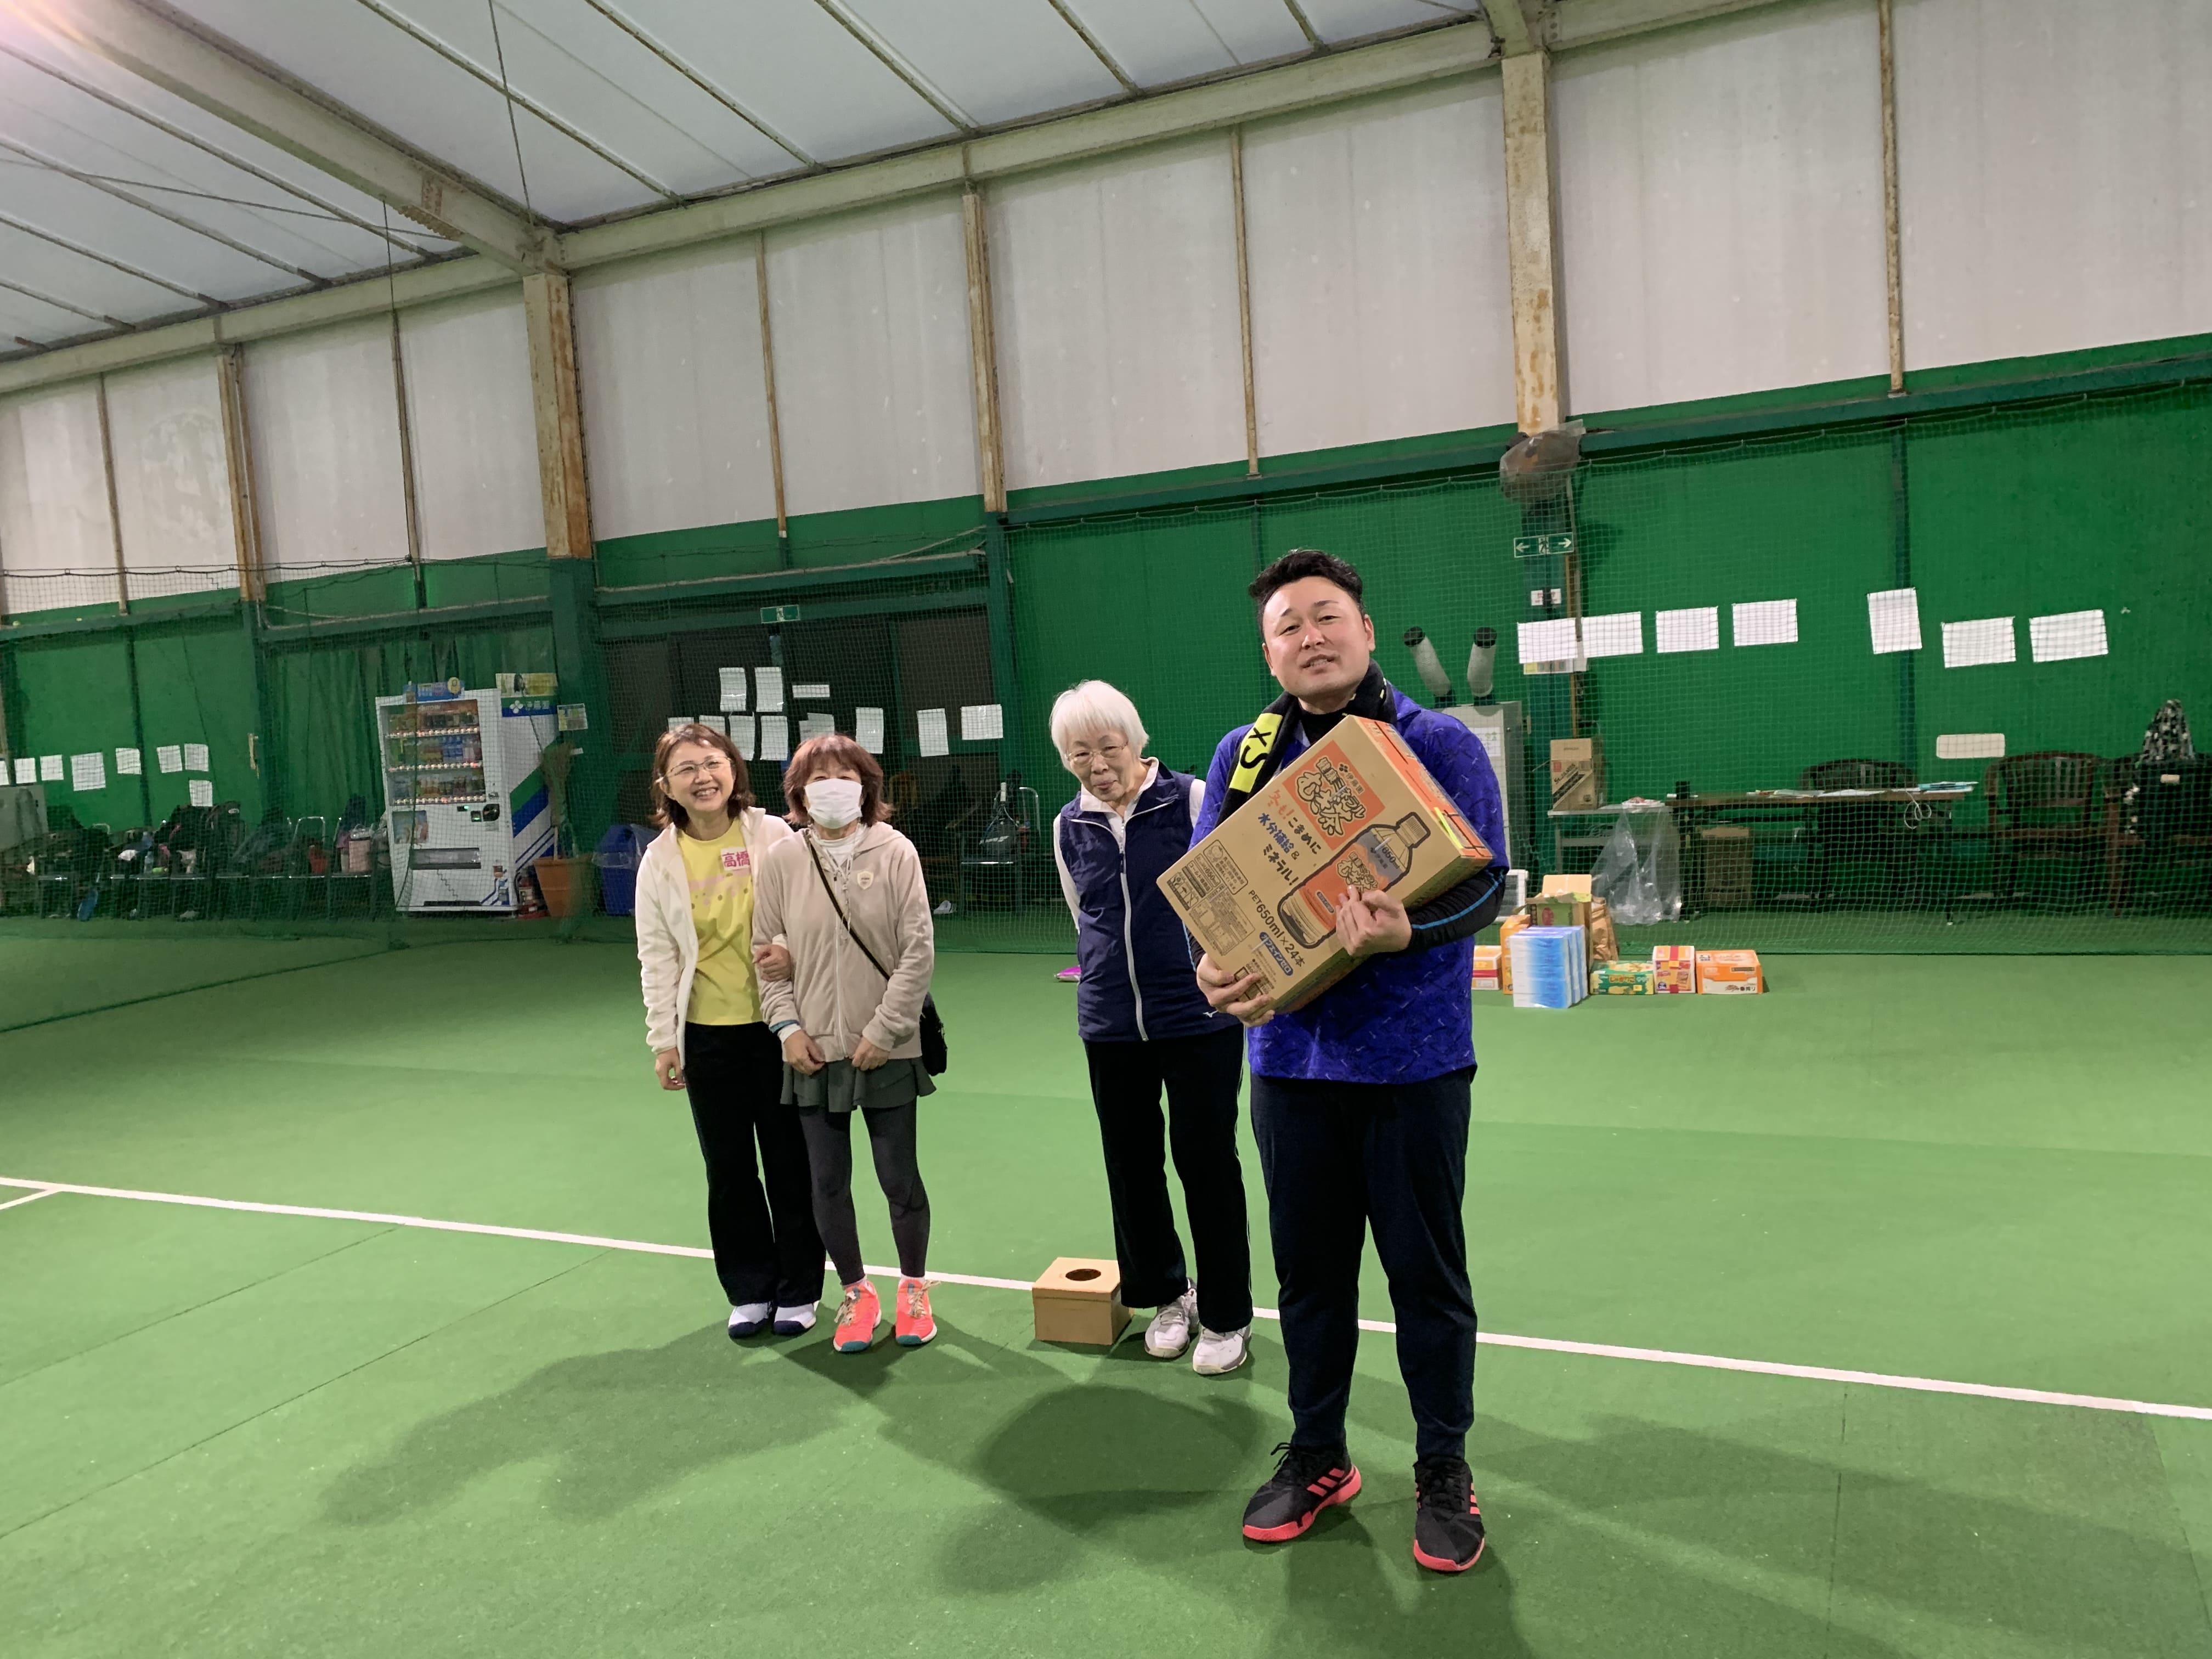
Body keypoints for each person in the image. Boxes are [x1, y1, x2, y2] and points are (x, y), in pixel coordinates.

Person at [1192, 550, 1510, 1574]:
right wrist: (1209, 965)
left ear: (1366, 632)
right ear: (1269, 653)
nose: (1310, 637)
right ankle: (1320, 1455)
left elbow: (1488, 886)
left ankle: (1443, 1466)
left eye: (1326, 616)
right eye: (1287, 626)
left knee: (1427, 1280)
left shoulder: (1436, 743)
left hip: (1413, 1065)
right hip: (1290, 1067)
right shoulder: (1243, 757)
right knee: (1311, 1281)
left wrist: (1406, 933)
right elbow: (1216, 897)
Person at [1049, 680, 1252, 1375]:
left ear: (1135, 741)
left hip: (1198, 1017)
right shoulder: (1069, 826)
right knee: (1132, 1168)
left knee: (1206, 1162)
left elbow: (1231, 895)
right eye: (1079, 754)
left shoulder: (1191, 799)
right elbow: (1084, 918)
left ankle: (1227, 1314)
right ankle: (1168, 1296)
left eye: (1108, 747)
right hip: (1110, 1024)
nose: (1097, 765)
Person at [634, 721, 823, 1340]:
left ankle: (799, 1290)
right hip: (707, 1039)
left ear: (733, 769)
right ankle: (750, 1290)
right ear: (667, 786)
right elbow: (657, 954)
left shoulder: (774, 836)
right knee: (730, 1170)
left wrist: (790, 951)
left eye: (713, 763)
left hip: (781, 1030)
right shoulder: (659, 860)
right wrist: (664, 1040)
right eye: (686, 769)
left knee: (791, 1164)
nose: (703, 777)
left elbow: (811, 912)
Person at [754, 734, 938, 1355]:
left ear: (866, 787)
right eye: (818, 777)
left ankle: (914, 1288)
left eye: (846, 775)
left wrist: (885, 1031)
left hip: (887, 1048)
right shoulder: (782, 860)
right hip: (813, 1051)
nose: (832, 786)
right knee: (827, 1183)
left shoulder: (896, 851)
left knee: (899, 1178)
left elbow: (917, 951)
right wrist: (787, 1028)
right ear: (799, 793)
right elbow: (765, 956)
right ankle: (856, 1292)